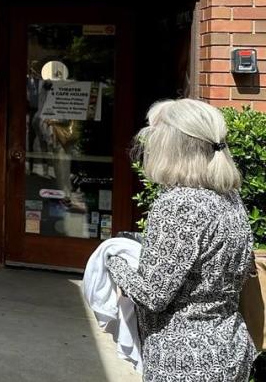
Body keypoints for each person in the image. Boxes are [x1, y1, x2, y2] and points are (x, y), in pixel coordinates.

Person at [106, 98, 257, 382]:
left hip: (183, 361)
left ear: (172, 146)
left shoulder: (178, 204)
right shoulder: (228, 196)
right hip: (231, 348)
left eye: (154, 135)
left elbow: (152, 295)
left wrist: (112, 262)